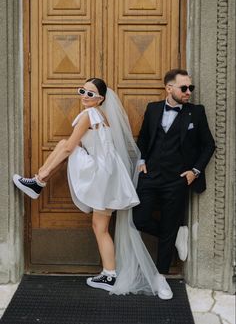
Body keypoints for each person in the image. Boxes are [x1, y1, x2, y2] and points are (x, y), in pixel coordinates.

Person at [13, 78, 173, 300]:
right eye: (82, 91)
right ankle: (109, 274)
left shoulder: (89, 115)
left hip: (99, 173)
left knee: (63, 145)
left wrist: (48, 167)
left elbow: (70, 146)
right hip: (111, 176)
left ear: (101, 99)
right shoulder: (102, 117)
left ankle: (38, 181)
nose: (85, 96)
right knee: (101, 227)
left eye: (90, 94)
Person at [133, 69, 216, 275]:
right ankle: (174, 235)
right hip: (150, 176)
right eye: (184, 88)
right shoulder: (153, 109)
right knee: (139, 220)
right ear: (169, 88)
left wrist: (194, 171)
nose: (189, 92)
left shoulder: (196, 112)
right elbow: (143, 137)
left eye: (191, 88)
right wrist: (141, 160)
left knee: (170, 222)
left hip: (178, 180)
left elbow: (208, 145)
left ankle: (161, 276)